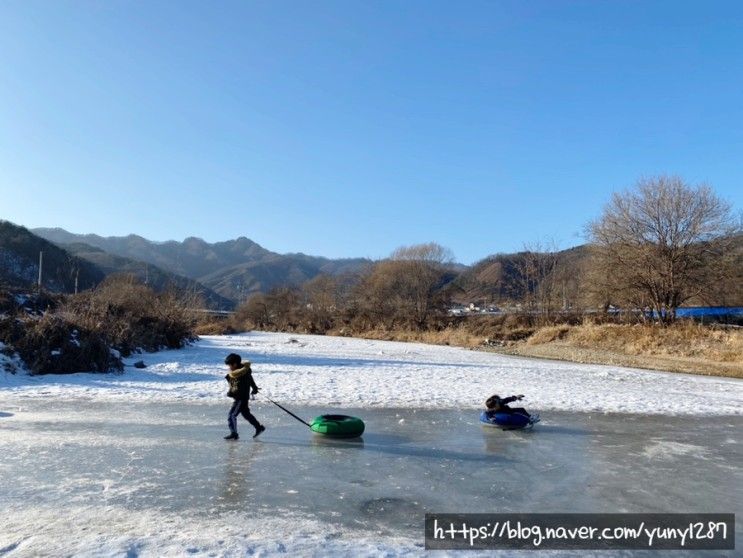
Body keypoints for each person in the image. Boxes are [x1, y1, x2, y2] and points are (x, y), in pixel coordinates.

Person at [223, 353, 265, 440]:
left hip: (240, 398)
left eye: (230, 365)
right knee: (246, 414)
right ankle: (259, 427)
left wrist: (231, 393)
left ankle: (234, 433)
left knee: (231, 415)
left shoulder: (240, 374)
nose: (229, 367)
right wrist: (254, 388)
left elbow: (239, 388)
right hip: (243, 397)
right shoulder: (242, 371)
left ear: (235, 364)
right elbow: (250, 379)